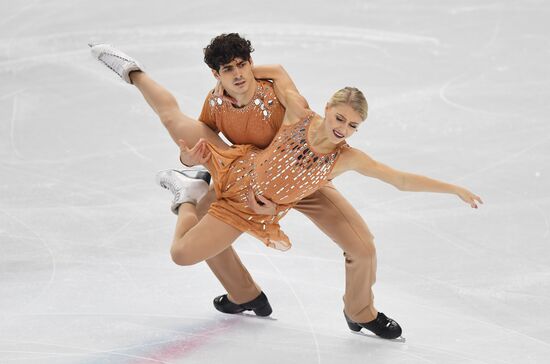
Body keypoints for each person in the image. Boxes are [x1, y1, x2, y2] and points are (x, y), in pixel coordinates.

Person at [89, 38, 482, 340]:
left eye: (243, 65)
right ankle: (133, 73)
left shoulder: (322, 133)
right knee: (183, 153)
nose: (343, 128)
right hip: (240, 170)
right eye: (229, 69)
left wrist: (453, 189)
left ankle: (360, 312)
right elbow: (201, 142)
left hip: (300, 188)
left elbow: (397, 179)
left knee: (363, 246)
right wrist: (194, 162)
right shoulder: (226, 103)